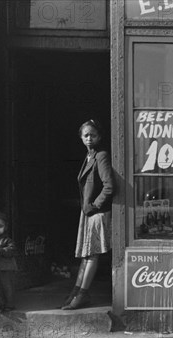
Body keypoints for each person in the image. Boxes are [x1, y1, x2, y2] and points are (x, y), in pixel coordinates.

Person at [62, 119, 114, 310]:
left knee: (91, 255)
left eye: (93, 135)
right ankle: (76, 291)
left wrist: (94, 205)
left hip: (97, 213)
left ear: (99, 136)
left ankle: (82, 295)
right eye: (86, 135)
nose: (89, 138)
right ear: (81, 138)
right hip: (88, 213)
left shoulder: (101, 156)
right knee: (86, 255)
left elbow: (109, 186)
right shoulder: (89, 156)